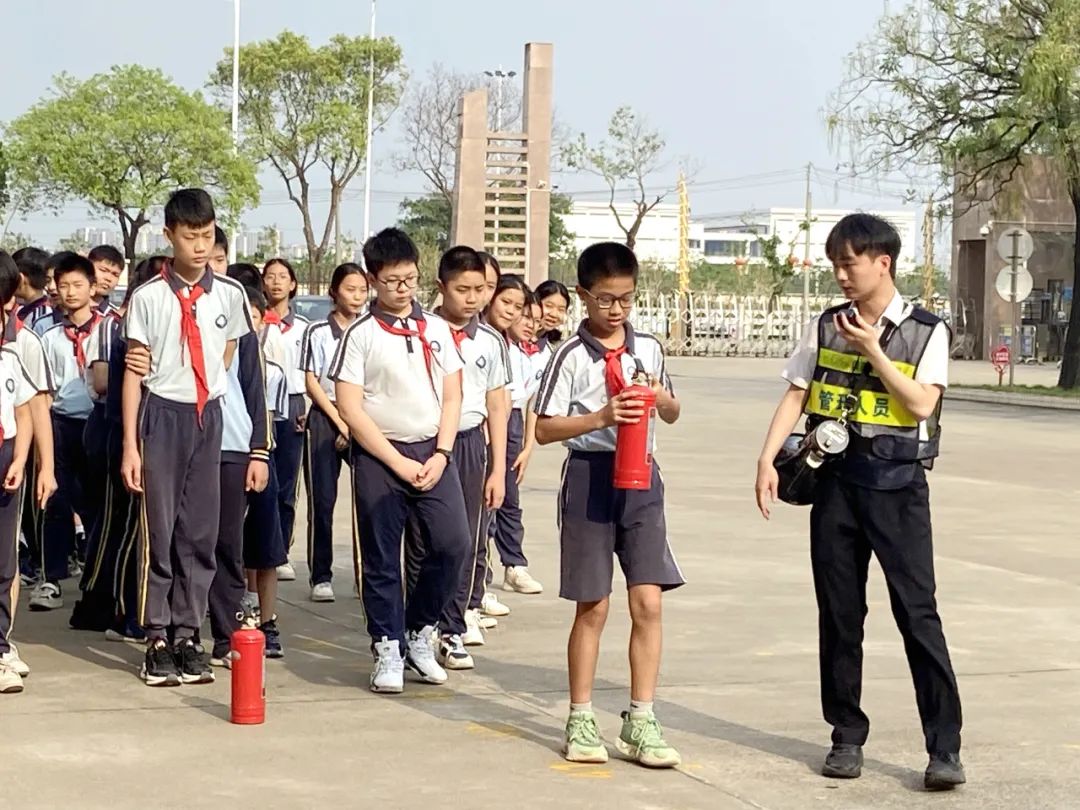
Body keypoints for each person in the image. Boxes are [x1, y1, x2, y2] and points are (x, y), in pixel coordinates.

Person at [754, 213, 964, 791]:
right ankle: (845, 735)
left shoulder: (926, 330)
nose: (841, 275)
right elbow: (797, 392)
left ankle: (944, 748)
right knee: (841, 617)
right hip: (836, 488)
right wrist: (766, 459)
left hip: (898, 489)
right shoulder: (825, 326)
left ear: (882, 263)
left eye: (849, 263)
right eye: (835, 265)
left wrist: (874, 352)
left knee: (917, 615)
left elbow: (922, 404)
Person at [535, 241, 684, 768]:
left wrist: (661, 399)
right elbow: (545, 427)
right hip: (591, 477)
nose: (616, 309)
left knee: (648, 601)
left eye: (626, 298)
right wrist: (600, 418)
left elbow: (671, 411)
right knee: (593, 604)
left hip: (642, 478)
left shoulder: (649, 348)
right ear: (582, 296)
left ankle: (641, 717)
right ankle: (580, 715)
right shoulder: (569, 357)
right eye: (605, 299)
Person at [120, 188, 252, 687]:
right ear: (169, 235)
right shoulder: (148, 297)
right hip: (162, 415)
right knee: (162, 531)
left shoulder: (231, 295)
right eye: (190, 236)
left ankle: (187, 632)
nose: (200, 246)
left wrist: (206, 389)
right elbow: (134, 373)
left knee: (200, 532)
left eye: (208, 236)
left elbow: (228, 351)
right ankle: (156, 635)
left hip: (206, 417)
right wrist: (132, 445)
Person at [330, 227, 469, 694]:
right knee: (382, 556)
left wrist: (443, 453)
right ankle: (386, 643)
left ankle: (419, 630)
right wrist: (395, 461)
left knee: (453, 544)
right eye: (392, 281)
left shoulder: (436, 330)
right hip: (380, 455)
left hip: (432, 451)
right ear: (373, 279)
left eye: (409, 279)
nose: (403, 289)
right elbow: (350, 407)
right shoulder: (361, 336)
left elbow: (453, 394)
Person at [402, 246, 509, 668]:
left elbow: (498, 405)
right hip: (424, 442)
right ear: (440, 287)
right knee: (420, 542)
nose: (472, 298)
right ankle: (417, 627)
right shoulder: (420, 330)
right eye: (462, 289)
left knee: (465, 540)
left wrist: (498, 467)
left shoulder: (491, 341)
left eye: (480, 289)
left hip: (467, 444)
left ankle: (452, 626)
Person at [74, 259, 161, 641]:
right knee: (119, 524)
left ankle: (111, 604)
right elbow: (106, 383)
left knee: (133, 525)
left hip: (149, 433)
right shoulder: (116, 327)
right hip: (116, 432)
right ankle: (111, 607)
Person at [208, 281, 273, 667]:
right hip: (182, 445)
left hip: (232, 445)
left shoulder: (242, 328)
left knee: (227, 544)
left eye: (218, 259)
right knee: (183, 544)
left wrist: (259, 452)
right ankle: (174, 634)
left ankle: (224, 635)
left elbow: (255, 389)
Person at [33, 253, 102, 612]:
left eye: (78, 285)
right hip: (61, 423)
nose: (71, 292)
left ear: (93, 288)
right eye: (64, 286)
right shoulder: (50, 337)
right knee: (56, 501)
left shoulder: (109, 329)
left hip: (97, 423)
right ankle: (52, 578)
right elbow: (44, 391)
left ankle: (95, 575)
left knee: (95, 502)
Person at [301, 262, 367, 603]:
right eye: (349, 289)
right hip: (325, 417)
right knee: (322, 501)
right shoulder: (317, 331)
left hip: (363, 418)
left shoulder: (369, 330)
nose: (356, 296)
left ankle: (362, 574)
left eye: (361, 290)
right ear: (334, 292)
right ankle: (320, 574)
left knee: (367, 500)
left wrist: (354, 423)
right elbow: (312, 381)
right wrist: (341, 423)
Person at [486, 276, 544, 597]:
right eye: (507, 304)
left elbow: (526, 400)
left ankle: (512, 564)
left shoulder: (522, 351)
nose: (514, 313)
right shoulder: (490, 341)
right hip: (480, 424)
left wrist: (526, 445)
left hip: (510, 424)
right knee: (483, 506)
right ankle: (477, 585)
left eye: (519, 307)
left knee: (507, 498)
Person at [8, 247, 58, 592]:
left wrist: (45, 467)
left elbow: (35, 406)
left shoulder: (24, 342)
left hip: (8, 453)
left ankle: (3, 640)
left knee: (4, 555)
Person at [0, 251, 37, 694]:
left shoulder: (11, 359)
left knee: (4, 563)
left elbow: (25, 414)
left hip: (7, 457)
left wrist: (21, 459)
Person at [260, 257, 309, 582]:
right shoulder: (255, 322)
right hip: (261, 407)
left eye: (283, 277)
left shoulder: (304, 328)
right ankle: (262, 548)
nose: (276, 282)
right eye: (271, 276)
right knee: (263, 482)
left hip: (292, 405)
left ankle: (282, 552)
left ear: (293, 284)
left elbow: (309, 371)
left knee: (287, 487)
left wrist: (305, 404)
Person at [87, 245, 123, 316]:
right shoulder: (65, 309)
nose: (108, 278)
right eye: (103, 270)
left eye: (115, 274)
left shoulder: (114, 319)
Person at [535, 279, 571, 346]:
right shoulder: (515, 338)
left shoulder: (557, 347)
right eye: (549, 306)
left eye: (561, 309)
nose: (554, 314)